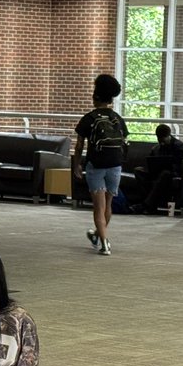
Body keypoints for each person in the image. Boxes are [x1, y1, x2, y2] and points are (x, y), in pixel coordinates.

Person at [73, 73, 128, 256]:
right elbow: (124, 141)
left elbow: (79, 145)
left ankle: (105, 244)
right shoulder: (117, 118)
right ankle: (98, 235)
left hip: (96, 165)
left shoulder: (89, 118)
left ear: (95, 96)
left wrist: (77, 165)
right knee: (108, 205)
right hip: (115, 165)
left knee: (99, 207)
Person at [130, 124, 183, 216]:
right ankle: (147, 203)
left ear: (169, 136)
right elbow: (152, 161)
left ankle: (147, 205)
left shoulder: (180, 147)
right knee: (138, 171)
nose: (161, 143)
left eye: (163, 140)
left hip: (172, 173)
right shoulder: (157, 148)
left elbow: (181, 164)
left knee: (165, 173)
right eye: (159, 140)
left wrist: (171, 166)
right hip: (157, 172)